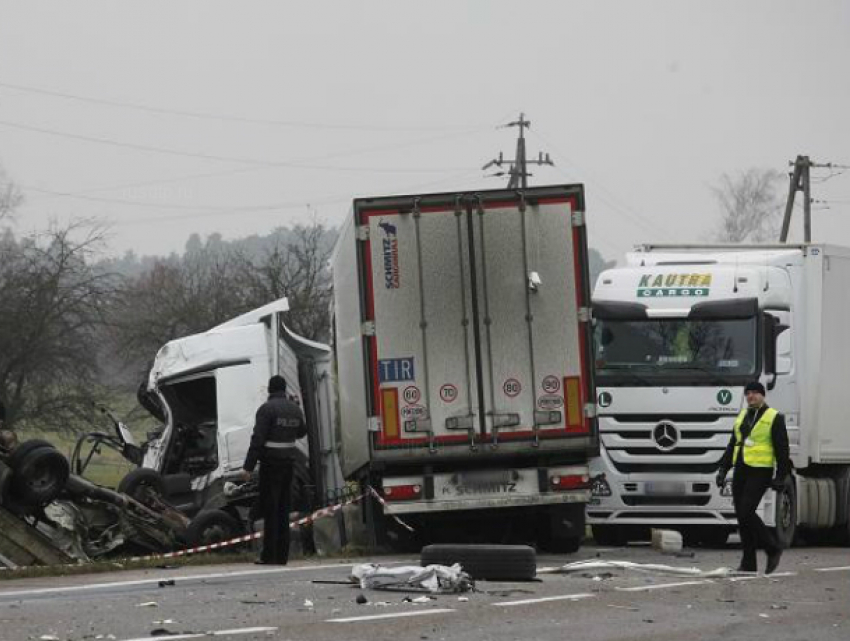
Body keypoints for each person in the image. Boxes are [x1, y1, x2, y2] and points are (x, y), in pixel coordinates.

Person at [716, 381, 791, 574]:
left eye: (755, 393)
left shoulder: (774, 417)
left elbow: (782, 450)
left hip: (760, 470)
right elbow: (733, 444)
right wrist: (723, 470)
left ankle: (772, 548)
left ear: (763, 395)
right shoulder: (742, 415)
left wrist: (781, 476)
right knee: (742, 517)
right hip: (741, 469)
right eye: (748, 393)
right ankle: (749, 563)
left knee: (747, 511)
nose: (751, 396)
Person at [241, 375, 307, 565]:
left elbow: (258, 440)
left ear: (270, 389)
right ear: (284, 389)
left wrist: (248, 467)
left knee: (270, 511)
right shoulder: (294, 409)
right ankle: (282, 556)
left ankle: (269, 555)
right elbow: (302, 432)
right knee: (283, 510)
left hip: (270, 466)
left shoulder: (266, 410)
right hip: (288, 466)